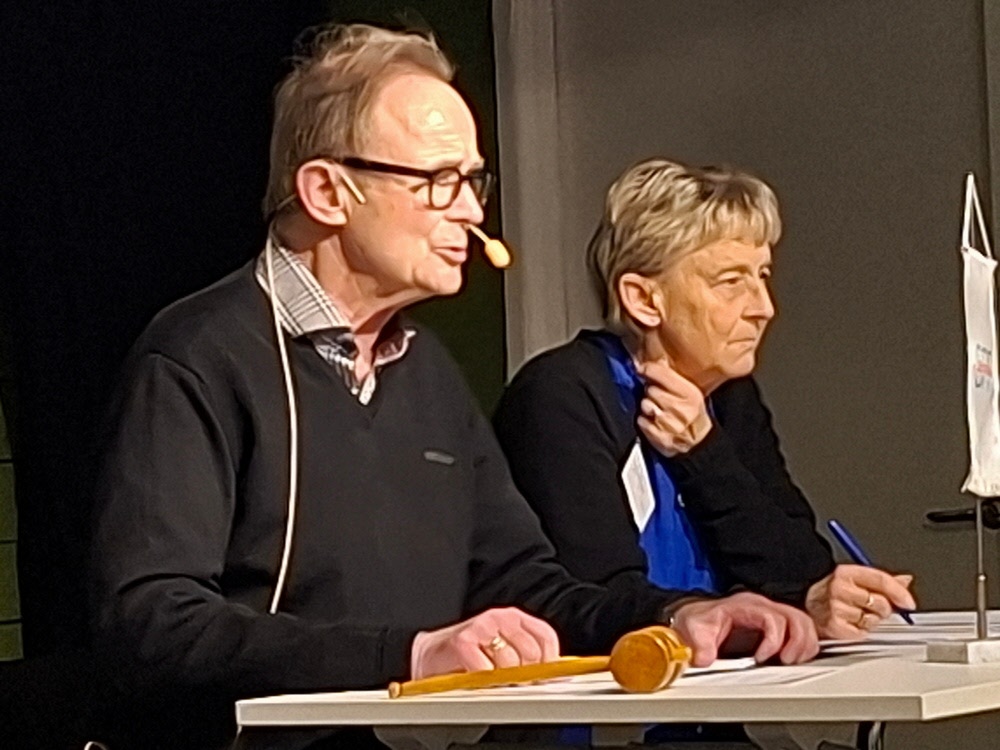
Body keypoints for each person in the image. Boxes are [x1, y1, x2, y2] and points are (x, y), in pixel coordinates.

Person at [90, 29, 819, 750]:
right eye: (439, 181)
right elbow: (152, 620)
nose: (471, 212)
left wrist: (677, 618)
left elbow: (528, 584)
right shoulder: (199, 355)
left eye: (474, 181)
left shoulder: (426, 370)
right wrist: (410, 657)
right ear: (328, 192)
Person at [494, 158, 916, 642]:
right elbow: (594, 596)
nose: (764, 308)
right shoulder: (561, 395)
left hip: (728, 686)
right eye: (731, 282)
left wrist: (703, 452)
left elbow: (799, 570)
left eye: (762, 276)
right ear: (643, 300)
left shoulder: (731, 395)